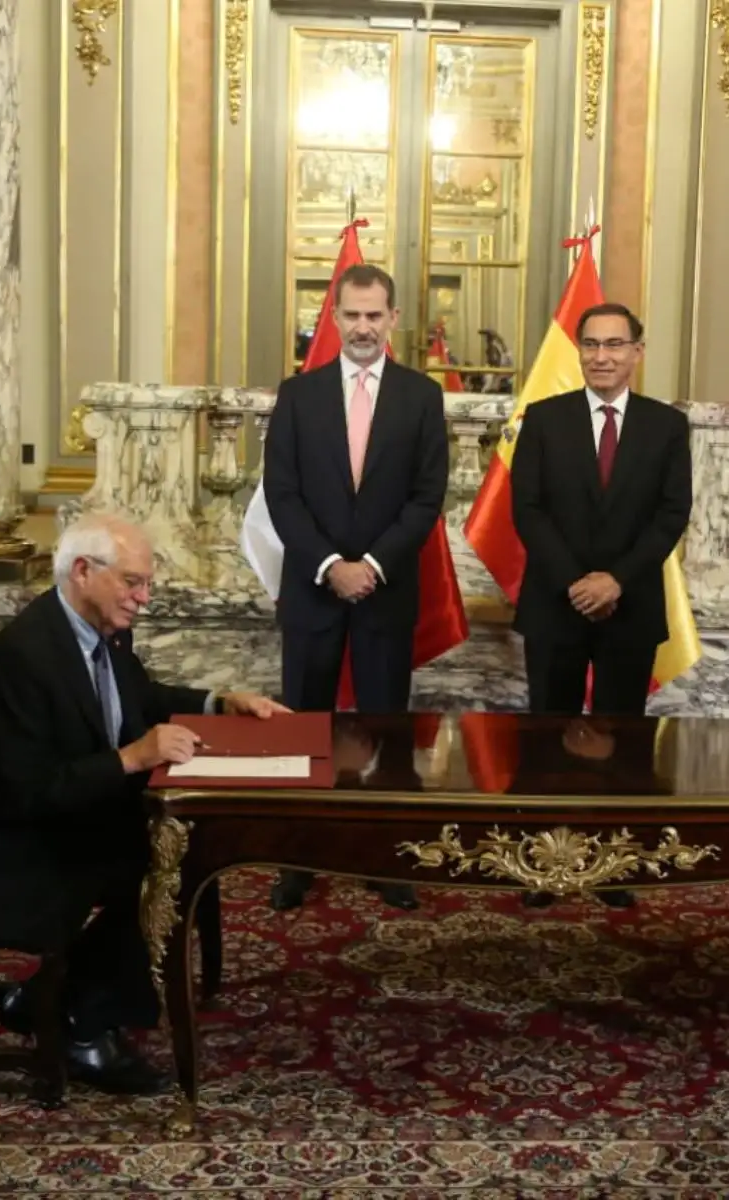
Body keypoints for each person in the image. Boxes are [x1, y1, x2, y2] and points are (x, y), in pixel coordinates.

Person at [0, 513, 287, 1095]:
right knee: (161, 868)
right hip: (11, 848)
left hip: (67, 821)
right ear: (83, 571)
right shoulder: (23, 656)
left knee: (176, 854)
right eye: (133, 582)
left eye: (145, 584)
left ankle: (55, 995)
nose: (144, 598)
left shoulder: (100, 629)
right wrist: (131, 757)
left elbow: (138, 697)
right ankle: (83, 1027)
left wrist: (217, 701)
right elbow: (28, 792)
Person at [261, 262, 448, 912]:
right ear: (334, 318)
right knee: (304, 729)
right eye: (352, 314)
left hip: (386, 591)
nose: (363, 326)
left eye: (375, 315)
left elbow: (427, 500)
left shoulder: (422, 398)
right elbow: (282, 497)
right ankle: (298, 860)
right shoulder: (297, 395)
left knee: (386, 731)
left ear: (393, 319)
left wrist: (371, 565)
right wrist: (329, 567)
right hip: (313, 591)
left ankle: (386, 857)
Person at [509, 302, 691, 908]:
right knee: (548, 738)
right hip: (555, 604)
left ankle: (612, 865)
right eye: (591, 345)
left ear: (638, 351)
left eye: (615, 345)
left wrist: (615, 580)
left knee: (624, 740)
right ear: (578, 351)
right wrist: (575, 582)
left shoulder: (666, 427)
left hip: (630, 603)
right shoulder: (543, 418)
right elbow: (527, 511)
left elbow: (671, 515)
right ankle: (545, 864)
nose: (602, 356)